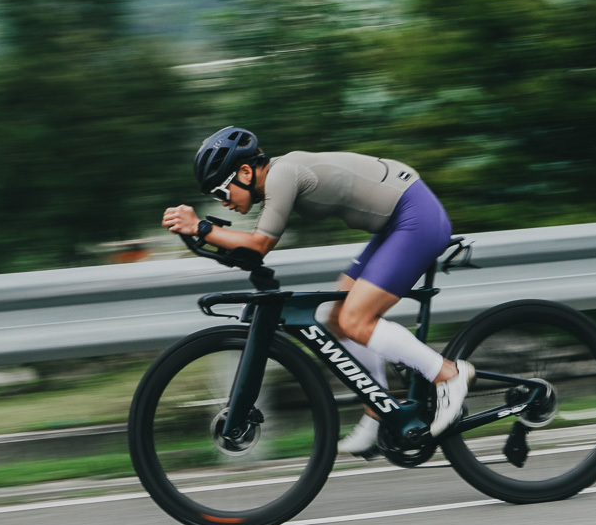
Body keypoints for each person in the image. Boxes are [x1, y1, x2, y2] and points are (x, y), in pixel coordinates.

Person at [161, 127, 473, 456]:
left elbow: (259, 244)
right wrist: (205, 234)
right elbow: (251, 247)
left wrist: (201, 227)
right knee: (338, 319)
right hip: (396, 222)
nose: (224, 203)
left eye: (221, 192)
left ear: (246, 172)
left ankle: (448, 375)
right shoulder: (278, 177)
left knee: (356, 320)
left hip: (415, 218)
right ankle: (380, 410)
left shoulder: (282, 175)